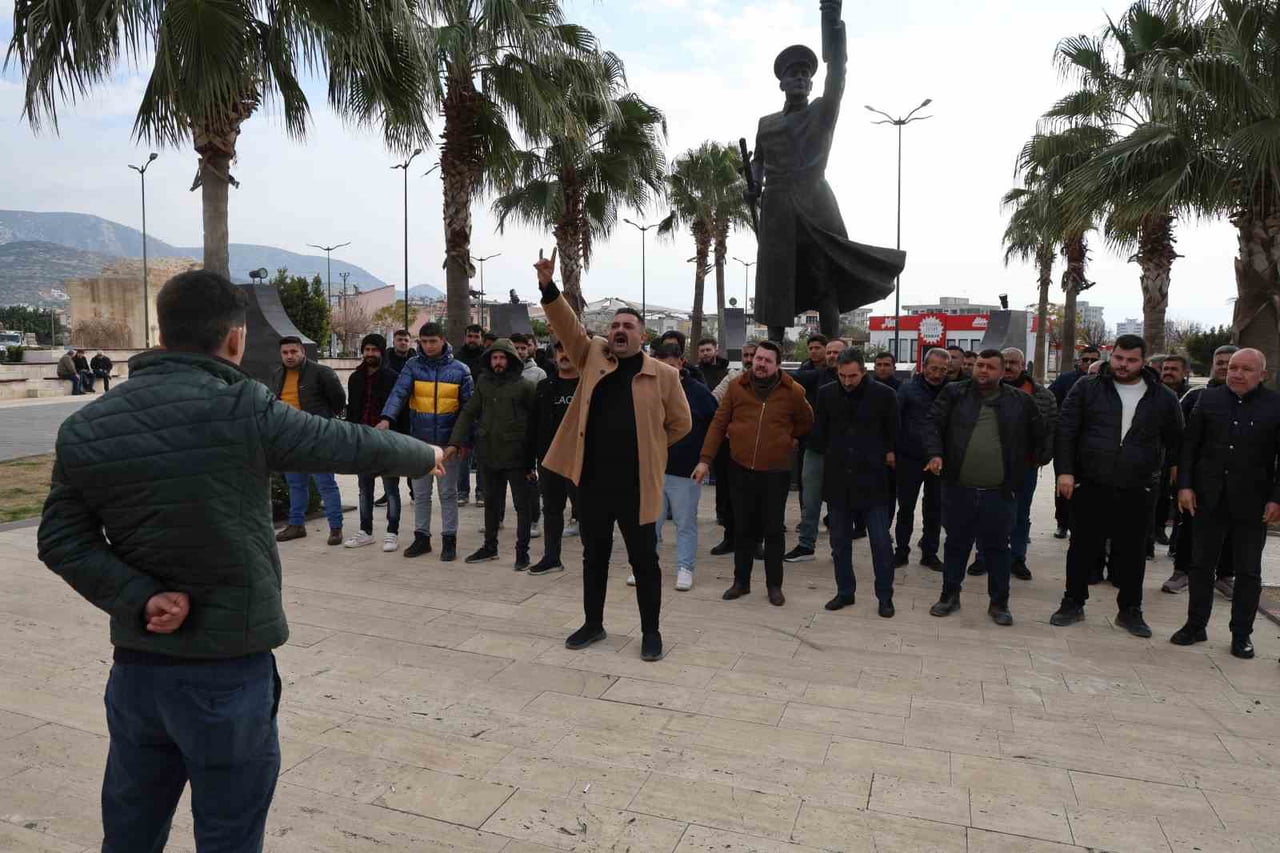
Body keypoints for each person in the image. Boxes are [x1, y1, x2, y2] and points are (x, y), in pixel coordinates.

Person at [37, 270, 439, 853]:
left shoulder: (86, 426)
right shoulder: (241, 407)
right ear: (233, 339)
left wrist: (140, 596)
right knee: (229, 833)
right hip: (225, 670)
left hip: (137, 670)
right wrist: (423, 452)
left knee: (129, 829)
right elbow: (343, 443)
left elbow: (60, 539)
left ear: (162, 332)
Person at [536, 249, 692, 662]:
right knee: (594, 556)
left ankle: (651, 632)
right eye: (615, 325)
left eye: (629, 326)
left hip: (637, 486)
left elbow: (681, 424)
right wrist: (549, 287)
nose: (620, 331)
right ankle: (593, 623)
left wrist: (653, 449)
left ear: (643, 336)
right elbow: (567, 326)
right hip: (591, 483)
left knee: (645, 561)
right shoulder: (592, 357)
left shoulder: (664, 375)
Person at [1050, 335, 1182, 636]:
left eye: (1132, 360)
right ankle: (1073, 602)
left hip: (1138, 487)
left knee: (1133, 553)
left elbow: (1176, 443)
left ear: (1144, 361)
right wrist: (1066, 472)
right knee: (1082, 547)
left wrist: (1171, 480)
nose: (1124, 365)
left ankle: (1130, 610)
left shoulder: (1163, 397)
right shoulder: (1087, 387)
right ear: (1112, 355)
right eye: (1119, 358)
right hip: (1091, 482)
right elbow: (1066, 431)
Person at [1172, 348, 1280, 659]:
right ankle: (1195, 625)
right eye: (1233, 367)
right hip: (1208, 498)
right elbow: (1190, 446)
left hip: (1253, 503)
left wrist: (1276, 498)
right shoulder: (1209, 400)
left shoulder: (1274, 405)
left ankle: (1241, 634)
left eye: (1246, 369)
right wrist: (1185, 486)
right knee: (1201, 565)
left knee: (1247, 572)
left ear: (1262, 374)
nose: (1237, 373)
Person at [924, 349, 1046, 625]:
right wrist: (935, 453)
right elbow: (932, 423)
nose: (983, 371)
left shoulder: (1020, 402)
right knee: (956, 545)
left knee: (998, 550)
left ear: (1002, 372)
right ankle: (949, 596)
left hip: (999, 493)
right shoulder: (954, 394)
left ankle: (999, 603)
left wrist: (1027, 466)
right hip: (958, 488)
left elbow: (1040, 435)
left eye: (991, 367)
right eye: (980, 365)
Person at [696, 340, 814, 606]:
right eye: (758, 358)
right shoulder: (737, 386)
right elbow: (718, 423)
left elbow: (807, 420)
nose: (760, 364)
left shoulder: (792, 390)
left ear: (777, 365)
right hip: (740, 468)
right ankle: (741, 582)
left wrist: (788, 438)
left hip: (776, 471)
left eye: (767, 360)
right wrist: (705, 460)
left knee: (773, 530)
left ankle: (774, 585)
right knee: (742, 528)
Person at [810, 349, 899, 616]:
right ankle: (845, 592)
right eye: (842, 376)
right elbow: (819, 434)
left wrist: (885, 455)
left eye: (853, 376)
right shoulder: (826, 393)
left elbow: (894, 434)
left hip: (874, 481)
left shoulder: (885, 395)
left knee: (881, 543)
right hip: (838, 480)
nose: (847, 382)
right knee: (839, 543)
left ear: (864, 371)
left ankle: (885, 596)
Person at [377, 322, 474, 562]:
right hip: (419, 443)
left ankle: (449, 540)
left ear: (443, 340)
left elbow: (469, 411)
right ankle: (422, 538)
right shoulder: (412, 366)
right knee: (420, 493)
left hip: (447, 444)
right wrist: (386, 418)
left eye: (433, 341)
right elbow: (398, 393)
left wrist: (459, 443)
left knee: (448, 493)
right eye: (424, 341)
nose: (428, 346)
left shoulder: (461, 371)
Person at [446, 338, 536, 568]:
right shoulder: (483, 383)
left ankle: (522, 552)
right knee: (491, 504)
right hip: (488, 453)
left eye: (502, 357)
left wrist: (533, 459)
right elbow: (468, 412)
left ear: (511, 359)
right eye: (494, 357)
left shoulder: (524, 386)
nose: (498, 362)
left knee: (522, 507)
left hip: (517, 457)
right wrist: (455, 442)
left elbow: (536, 422)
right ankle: (489, 546)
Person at [968, 347, 1057, 580]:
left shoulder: (1041, 395)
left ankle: (1018, 558)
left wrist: (1042, 457)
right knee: (986, 512)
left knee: (1020, 513)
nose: (1009, 367)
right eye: (1004, 362)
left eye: (1013, 363)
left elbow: (1051, 429)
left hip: (1024, 467)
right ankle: (982, 557)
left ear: (1023, 365)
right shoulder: (981, 392)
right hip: (988, 464)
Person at [1163, 344, 1239, 594]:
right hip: (1198, 478)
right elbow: (1177, 435)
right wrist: (1176, 467)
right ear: (1212, 366)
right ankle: (1182, 571)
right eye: (1221, 362)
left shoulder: (1258, 402)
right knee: (1189, 526)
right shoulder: (1195, 397)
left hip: (1238, 480)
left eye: (1231, 362)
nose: (1226, 367)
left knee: (1232, 530)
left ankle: (1225, 575)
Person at [652, 342, 719, 591]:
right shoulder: (648, 388)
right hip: (654, 469)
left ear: (681, 363)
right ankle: (646, 566)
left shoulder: (699, 392)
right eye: (660, 366)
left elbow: (716, 427)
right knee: (650, 523)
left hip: (686, 471)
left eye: (670, 366)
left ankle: (685, 568)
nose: (666, 371)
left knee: (685, 524)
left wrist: (705, 460)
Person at [273, 336, 347, 545]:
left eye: (293, 352)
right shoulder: (278, 374)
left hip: (317, 437)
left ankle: (335, 528)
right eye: (285, 353)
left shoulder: (321, 372)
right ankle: (296, 525)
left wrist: (322, 424)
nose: (289, 356)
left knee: (326, 484)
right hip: (289, 439)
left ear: (302, 351)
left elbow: (338, 401)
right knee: (295, 484)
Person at [787, 336, 849, 561]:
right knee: (810, 500)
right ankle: (806, 545)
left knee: (839, 503)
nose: (832, 356)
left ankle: (839, 548)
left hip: (843, 453)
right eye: (829, 352)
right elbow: (791, 380)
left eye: (836, 352)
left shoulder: (857, 383)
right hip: (815, 448)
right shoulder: (817, 377)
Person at [345, 334, 408, 551]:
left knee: (391, 489)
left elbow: (401, 410)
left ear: (382, 352)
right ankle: (366, 531)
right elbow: (352, 409)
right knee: (365, 489)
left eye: (374, 350)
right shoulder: (355, 378)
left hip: (387, 441)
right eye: (367, 350)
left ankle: (392, 533)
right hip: (362, 440)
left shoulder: (393, 377)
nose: (370, 354)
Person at [527, 339, 579, 575]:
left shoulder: (589, 386)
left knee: (588, 511)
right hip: (550, 460)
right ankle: (551, 557)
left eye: (568, 348)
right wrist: (530, 461)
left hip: (582, 460)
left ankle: (595, 560)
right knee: (551, 509)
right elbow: (533, 426)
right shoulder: (545, 387)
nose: (564, 353)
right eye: (559, 349)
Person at [894, 348, 948, 571]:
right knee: (906, 508)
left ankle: (930, 552)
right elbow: (895, 421)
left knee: (935, 508)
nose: (937, 374)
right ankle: (901, 551)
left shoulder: (950, 390)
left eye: (942, 370)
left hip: (938, 460)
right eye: (933, 368)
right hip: (910, 458)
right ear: (924, 366)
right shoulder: (907, 390)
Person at [1048, 345, 1103, 538]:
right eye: (1085, 359)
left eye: (1093, 359)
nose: (1089, 363)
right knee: (1062, 485)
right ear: (1079, 360)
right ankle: (1062, 523)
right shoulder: (1065, 380)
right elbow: (1051, 403)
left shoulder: (1107, 382)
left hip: (1094, 447)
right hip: (1068, 442)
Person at [709, 342, 758, 554]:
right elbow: (712, 398)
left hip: (759, 446)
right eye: (746, 355)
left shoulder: (772, 380)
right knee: (728, 493)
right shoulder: (732, 378)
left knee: (756, 496)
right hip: (730, 444)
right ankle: (729, 538)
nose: (748, 359)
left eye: (752, 355)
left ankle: (756, 542)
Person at [1151, 355, 1190, 550]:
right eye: (1165, 368)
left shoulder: (1190, 396)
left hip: (1177, 457)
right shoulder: (1153, 393)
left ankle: (1172, 540)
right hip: (1154, 457)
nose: (1168, 372)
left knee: (1172, 498)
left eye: (1174, 369)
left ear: (1184, 373)